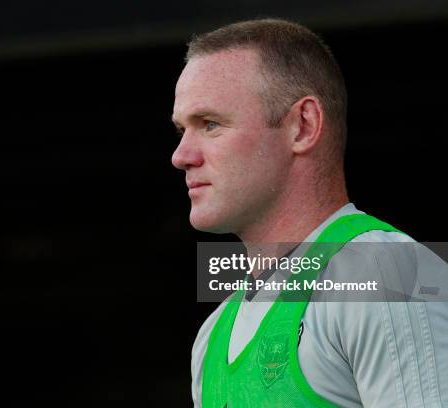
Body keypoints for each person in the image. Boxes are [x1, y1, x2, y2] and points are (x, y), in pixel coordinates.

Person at [170, 18, 448, 407]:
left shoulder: (391, 274)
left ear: (303, 126)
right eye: (181, 130)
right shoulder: (212, 336)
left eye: (210, 124)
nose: (180, 156)